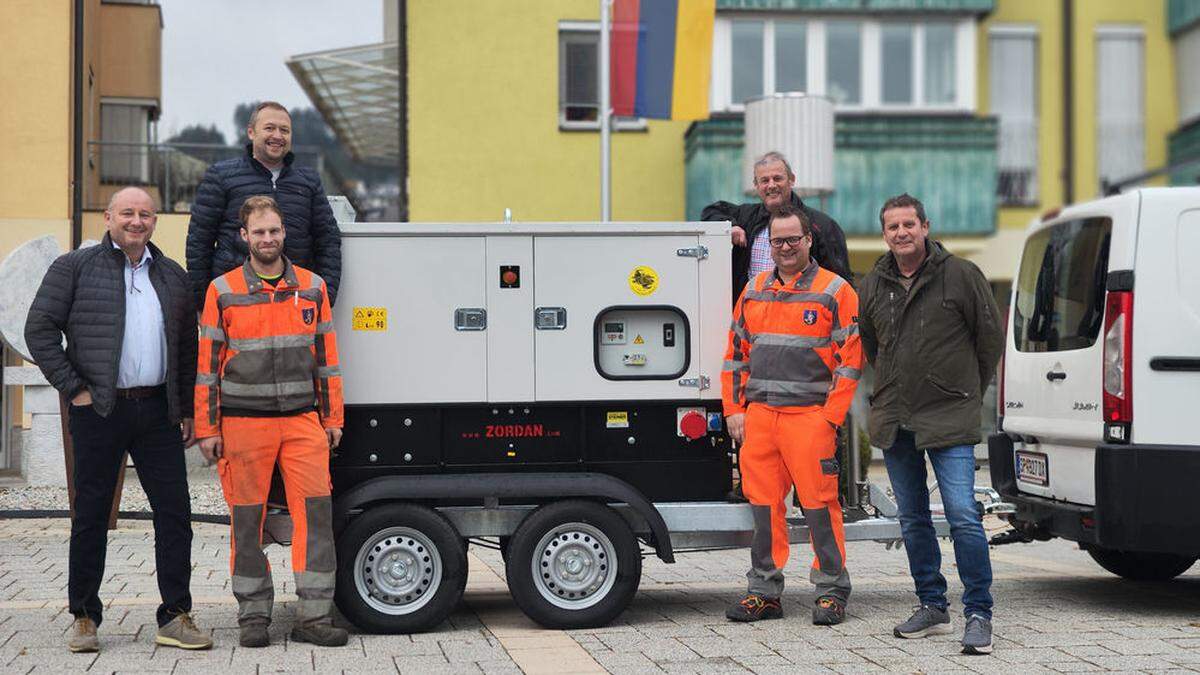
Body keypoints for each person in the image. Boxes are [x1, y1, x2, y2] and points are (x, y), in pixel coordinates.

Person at [24, 187, 212, 653]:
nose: (137, 221)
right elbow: (39, 329)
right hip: (100, 411)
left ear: (154, 222)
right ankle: (85, 616)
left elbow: (187, 349)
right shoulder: (74, 268)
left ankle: (175, 616)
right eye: (127, 212)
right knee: (90, 515)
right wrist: (75, 389)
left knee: (174, 514)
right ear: (108, 217)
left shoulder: (172, 276)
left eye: (146, 214)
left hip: (157, 413)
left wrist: (187, 407)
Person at [195, 195, 346, 648]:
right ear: (244, 236)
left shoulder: (313, 288)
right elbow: (207, 365)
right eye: (258, 232)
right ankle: (253, 617)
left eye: (274, 231)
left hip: (303, 423)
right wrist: (208, 428)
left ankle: (314, 617)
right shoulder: (221, 291)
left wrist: (332, 417)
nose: (267, 239)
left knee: (315, 520)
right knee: (247, 524)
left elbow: (327, 360)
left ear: (285, 234)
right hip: (243, 426)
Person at [858, 193, 1003, 655]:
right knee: (914, 518)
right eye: (892, 227)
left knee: (962, 516)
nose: (901, 233)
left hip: (948, 415)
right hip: (896, 416)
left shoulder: (961, 275)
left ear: (925, 226)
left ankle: (978, 613)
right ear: (885, 234)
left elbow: (989, 341)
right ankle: (932, 605)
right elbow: (872, 347)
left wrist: (963, 393)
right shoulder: (874, 284)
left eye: (908, 224)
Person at [721, 205, 862, 625]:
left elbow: (851, 361)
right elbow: (734, 357)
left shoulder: (835, 291)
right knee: (763, 507)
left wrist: (829, 419)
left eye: (792, 240)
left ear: (808, 241)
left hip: (809, 420)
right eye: (776, 241)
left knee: (820, 506)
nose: (784, 247)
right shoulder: (754, 290)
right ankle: (765, 592)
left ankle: (832, 590)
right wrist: (734, 410)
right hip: (761, 419)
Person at [186, 100, 342, 309]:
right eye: (269, 128)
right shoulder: (221, 176)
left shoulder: (309, 181)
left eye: (284, 130)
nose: (277, 136)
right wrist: (203, 304)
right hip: (236, 304)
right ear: (251, 132)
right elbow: (199, 243)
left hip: (295, 303)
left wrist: (325, 297)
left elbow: (328, 240)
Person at [702, 150, 852, 305]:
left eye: (777, 178)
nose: (771, 185)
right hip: (752, 317)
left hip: (804, 316)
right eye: (764, 180)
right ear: (756, 185)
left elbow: (841, 283)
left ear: (791, 180)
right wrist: (730, 226)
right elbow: (711, 211)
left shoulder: (823, 226)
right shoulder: (745, 217)